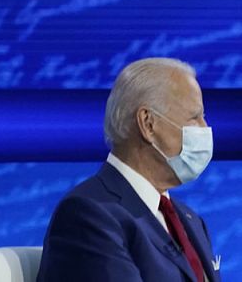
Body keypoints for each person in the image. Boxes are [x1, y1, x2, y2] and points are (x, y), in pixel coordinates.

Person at [37, 57, 219, 281]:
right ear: (148, 123)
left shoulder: (190, 220)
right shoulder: (88, 215)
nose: (205, 128)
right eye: (195, 118)